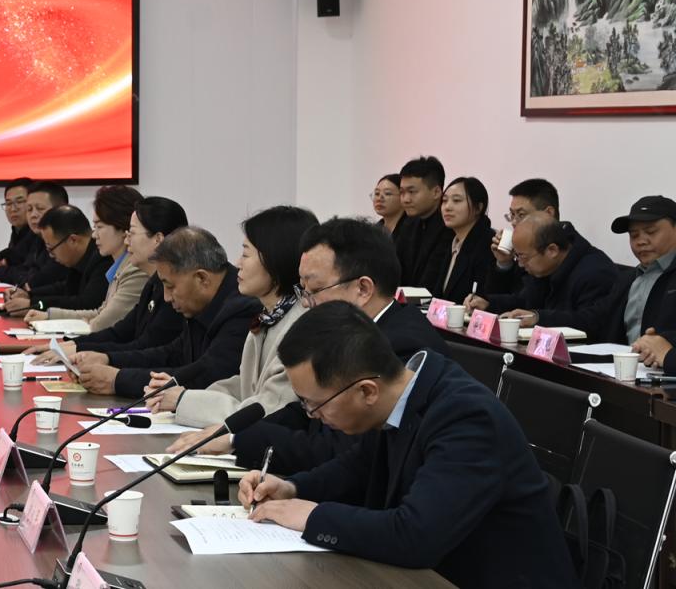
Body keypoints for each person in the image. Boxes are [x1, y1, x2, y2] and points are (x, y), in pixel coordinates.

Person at [240, 301, 576, 588]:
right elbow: (358, 468)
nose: (313, 415)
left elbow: (416, 536)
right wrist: (292, 488)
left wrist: (314, 516)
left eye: (315, 404)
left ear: (367, 391)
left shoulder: (466, 417)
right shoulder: (404, 392)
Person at [209, 217, 449, 471]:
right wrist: (233, 433)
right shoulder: (353, 333)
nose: (305, 303)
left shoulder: (399, 346)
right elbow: (304, 413)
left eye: (314, 290)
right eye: (302, 290)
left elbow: (340, 452)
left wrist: (239, 442)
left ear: (363, 289)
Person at [155, 206, 318, 441]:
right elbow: (245, 387)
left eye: (246, 254)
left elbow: (268, 409)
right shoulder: (269, 317)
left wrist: (184, 401)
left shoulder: (301, 326)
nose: (237, 263)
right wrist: (185, 396)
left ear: (274, 258)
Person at [68, 227, 257, 397]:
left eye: (171, 286)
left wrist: (118, 380)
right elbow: (173, 353)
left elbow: (207, 377)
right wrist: (108, 359)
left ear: (201, 278)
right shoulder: (199, 302)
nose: (166, 297)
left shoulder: (242, 309)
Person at [32, 196, 190, 363]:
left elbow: (146, 346)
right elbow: (120, 332)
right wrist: (72, 345)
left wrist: (93, 354)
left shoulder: (173, 290)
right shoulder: (153, 284)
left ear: (158, 239)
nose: (127, 240)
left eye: (132, 233)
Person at [467, 212, 621, 341]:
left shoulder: (595, 272)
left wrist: (538, 318)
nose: (520, 264)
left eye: (523, 257)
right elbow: (524, 301)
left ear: (552, 250)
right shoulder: (545, 266)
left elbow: (590, 323)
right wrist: (488, 304)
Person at [25, 186, 148, 333]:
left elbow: (101, 323)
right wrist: (48, 316)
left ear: (123, 228)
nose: (94, 235)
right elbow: (99, 314)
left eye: (99, 227)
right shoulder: (119, 267)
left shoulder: (135, 270)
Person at [604, 197, 676, 368]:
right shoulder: (628, 279)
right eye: (634, 235)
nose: (641, 241)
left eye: (651, 232)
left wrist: (665, 346)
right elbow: (597, 319)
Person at [23, 205, 113, 313]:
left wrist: (32, 304)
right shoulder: (78, 258)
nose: (51, 255)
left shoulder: (103, 258)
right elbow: (66, 289)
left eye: (51, 249)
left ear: (73, 240)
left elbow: (87, 304)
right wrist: (29, 295)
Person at [0, 181, 72, 313]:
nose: (33, 215)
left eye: (40, 208)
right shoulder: (39, 238)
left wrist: (31, 299)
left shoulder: (67, 243)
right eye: (29, 209)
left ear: (61, 210)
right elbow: (29, 273)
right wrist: (29, 294)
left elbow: (34, 281)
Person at [486, 178, 561, 294]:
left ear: (548, 213)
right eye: (512, 214)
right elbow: (512, 300)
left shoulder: (568, 256)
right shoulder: (522, 252)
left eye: (521, 215)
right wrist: (504, 263)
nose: (514, 222)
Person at [391, 156, 452, 292]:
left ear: (436, 192)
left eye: (412, 192)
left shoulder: (449, 227)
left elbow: (431, 283)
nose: (405, 199)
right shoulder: (409, 224)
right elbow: (394, 268)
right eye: (402, 192)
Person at [434, 176, 496, 304]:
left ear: (478, 208)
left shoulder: (488, 244)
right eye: (444, 201)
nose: (447, 207)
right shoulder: (451, 242)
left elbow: (484, 296)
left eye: (456, 200)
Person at [0, 178, 40, 284]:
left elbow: (28, 275)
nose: (13, 209)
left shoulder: (40, 233)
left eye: (19, 202)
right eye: (8, 203)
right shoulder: (18, 230)